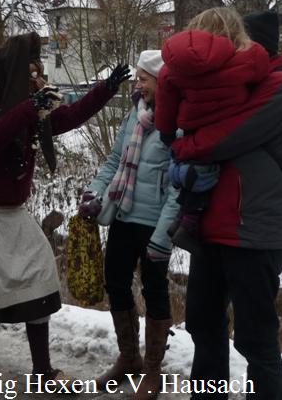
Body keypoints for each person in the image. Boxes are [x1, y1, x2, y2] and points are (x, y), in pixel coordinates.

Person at [0, 32, 131, 383]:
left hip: (14, 214)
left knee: (39, 278)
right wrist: (31, 107)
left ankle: (42, 371)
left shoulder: (33, 113)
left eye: (39, 72)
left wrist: (106, 88)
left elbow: (70, 116)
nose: (38, 79)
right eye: (31, 73)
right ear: (11, 76)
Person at [171, 10, 282, 400]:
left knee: (256, 340)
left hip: (252, 235)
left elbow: (225, 137)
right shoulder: (234, 86)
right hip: (212, 232)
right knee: (203, 327)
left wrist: (180, 146)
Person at [77, 50, 179, 400]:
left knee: (155, 290)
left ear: (162, 81)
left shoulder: (177, 122)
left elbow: (178, 187)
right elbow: (114, 161)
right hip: (124, 213)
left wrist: (164, 236)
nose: (137, 84)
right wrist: (94, 191)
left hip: (154, 223)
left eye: (143, 78)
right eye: (137, 77)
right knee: (116, 282)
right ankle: (129, 358)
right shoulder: (135, 115)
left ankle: (152, 370)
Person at [155, 7, 270, 254]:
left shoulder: (175, 66)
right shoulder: (249, 57)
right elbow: (263, 71)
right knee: (206, 174)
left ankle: (183, 218)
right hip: (226, 128)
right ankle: (189, 224)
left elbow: (165, 101)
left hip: (191, 129)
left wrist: (166, 132)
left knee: (194, 173)